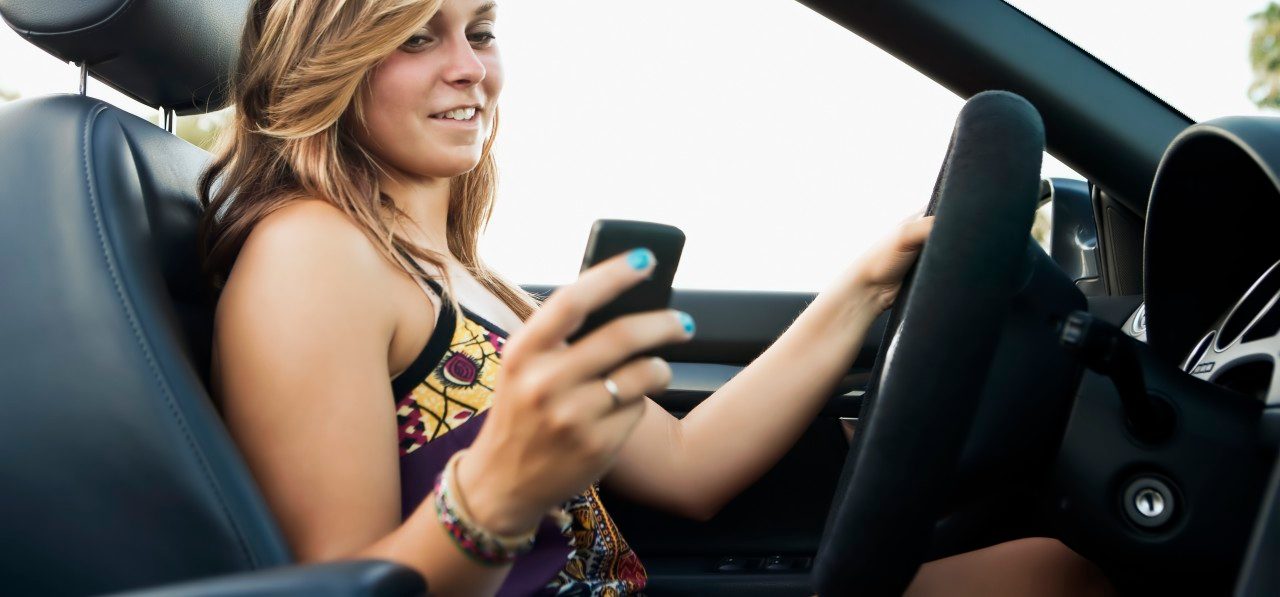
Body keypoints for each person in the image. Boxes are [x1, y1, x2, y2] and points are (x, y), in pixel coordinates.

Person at [198, 0, 1115, 595]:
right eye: (414, 36)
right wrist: (491, 496)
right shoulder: (310, 256)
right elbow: (349, 589)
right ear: (331, 60)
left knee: (1066, 572)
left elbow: (685, 462)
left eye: (479, 30)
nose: (470, 68)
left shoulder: (466, 277)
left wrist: (867, 285)